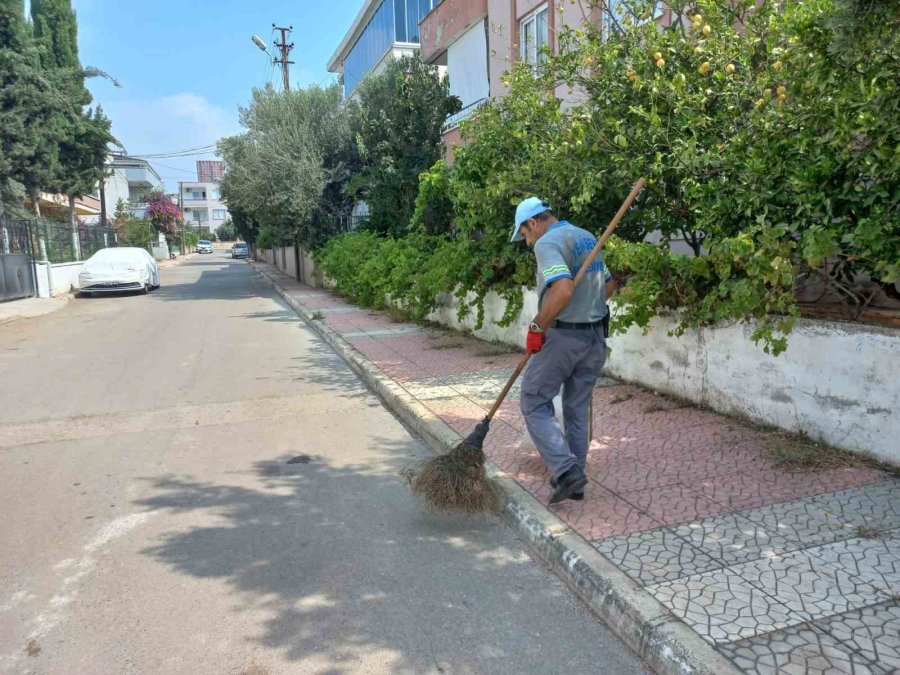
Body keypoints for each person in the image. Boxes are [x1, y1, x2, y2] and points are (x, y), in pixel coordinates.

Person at [511, 197, 611, 504]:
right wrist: (585, 307)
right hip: (595, 337)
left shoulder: (547, 243)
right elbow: (607, 285)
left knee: (533, 401)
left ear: (533, 222)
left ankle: (566, 471)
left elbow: (564, 288)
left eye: (525, 235)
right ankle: (575, 481)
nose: (528, 242)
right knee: (576, 407)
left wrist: (538, 326)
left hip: (563, 336)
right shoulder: (586, 236)